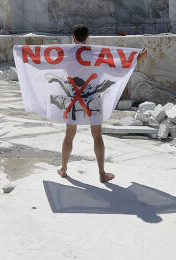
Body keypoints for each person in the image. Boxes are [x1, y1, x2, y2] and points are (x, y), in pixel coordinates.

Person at [57, 24, 145, 184]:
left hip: (74, 100)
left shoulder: (67, 54)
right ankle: (102, 173)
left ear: (73, 36)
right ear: (88, 37)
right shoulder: (95, 55)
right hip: (93, 99)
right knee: (97, 135)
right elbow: (117, 68)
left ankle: (63, 169)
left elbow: (45, 61)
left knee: (69, 135)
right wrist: (136, 59)